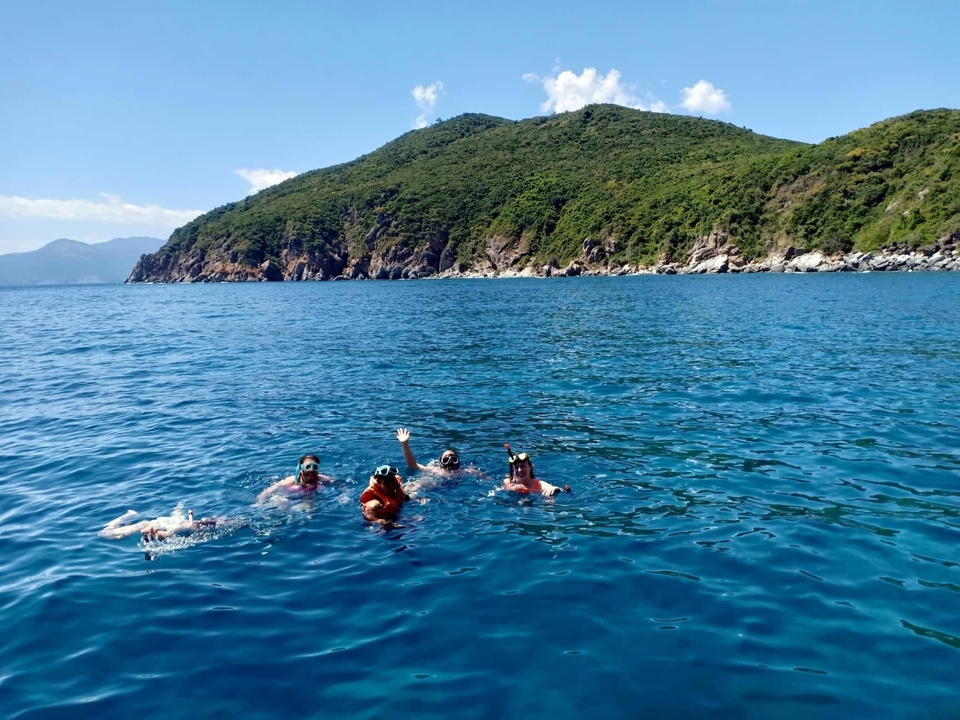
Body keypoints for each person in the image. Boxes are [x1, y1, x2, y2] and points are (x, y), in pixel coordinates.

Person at [100, 505, 230, 541]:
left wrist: (190, 514)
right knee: (107, 533)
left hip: (158, 525)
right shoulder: (178, 529)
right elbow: (190, 526)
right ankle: (129, 516)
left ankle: (130, 516)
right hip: (160, 525)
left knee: (105, 533)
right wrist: (189, 515)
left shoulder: (178, 529)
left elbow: (190, 526)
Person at [256, 454, 333, 504]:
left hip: (308, 500)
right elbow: (271, 489)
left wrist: (343, 496)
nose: (311, 470)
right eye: (307, 467)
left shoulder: (321, 479)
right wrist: (260, 501)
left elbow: (340, 484)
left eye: (315, 467)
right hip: (287, 499)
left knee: (310, 511)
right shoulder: (292, 480)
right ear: (301, 469)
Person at [395, 428, 471, 475]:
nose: (450, 462)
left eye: (453, 459)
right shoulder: (435, 471)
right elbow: (412, 465)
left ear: (458, 462)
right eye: (446, 460)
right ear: (440, 462)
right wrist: (404, 443)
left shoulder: (464, 472)